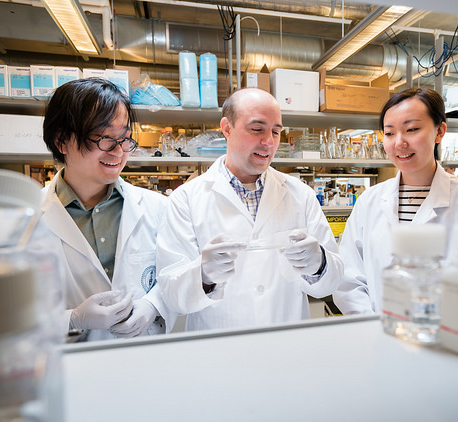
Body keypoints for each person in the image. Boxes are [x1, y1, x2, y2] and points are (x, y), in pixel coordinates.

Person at [156, 88, 343, 331]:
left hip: (285, 348)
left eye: (276, 131)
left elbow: (333, 281)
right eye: (257, 129)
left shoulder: (301, 195)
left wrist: (319, 263)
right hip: (219, 353)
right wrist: (203, 275)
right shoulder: (185, 200)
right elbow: (171, 294)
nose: (269, 141)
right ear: (227, 128)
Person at [41, 78, 174, 341]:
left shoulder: (158, 208)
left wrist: (154, 304)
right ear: (62, 142)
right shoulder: (28, 219)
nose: (118, 151)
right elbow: (9, 316)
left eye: (125, 138)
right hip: (71, 367)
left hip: (146, 361)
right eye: (103, 138)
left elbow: (175, 276)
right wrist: (72, 318)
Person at [333, 87, 458, 315]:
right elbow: (349, 281)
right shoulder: (369, 201)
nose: (399, 142)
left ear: (440, 131)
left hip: (447, 340)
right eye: (389, 133)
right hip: (376, 335)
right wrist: (370, 325)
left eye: (411, 129)